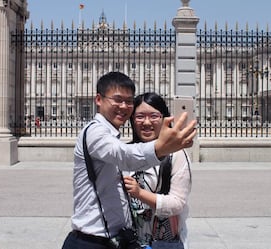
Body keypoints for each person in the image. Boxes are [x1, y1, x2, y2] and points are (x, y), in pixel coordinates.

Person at [62, 72, 196, 249]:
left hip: (140, 241)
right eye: (117, 99)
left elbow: (177, 202)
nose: (123, 106)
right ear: (99, 99)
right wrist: (161, 148)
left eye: (129, 101)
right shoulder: (96, 133)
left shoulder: (116, 138)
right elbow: (124, 156)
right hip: (93, 240)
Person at [123, 92, 192, 249]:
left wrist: (140, 194)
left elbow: (177, 203)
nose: (147, 122)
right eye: (140, 116)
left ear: (164, 119)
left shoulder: (176, 154)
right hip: (128, 241)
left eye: (154, 116)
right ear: (132, 120)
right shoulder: (125, 152)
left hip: (162, 242)